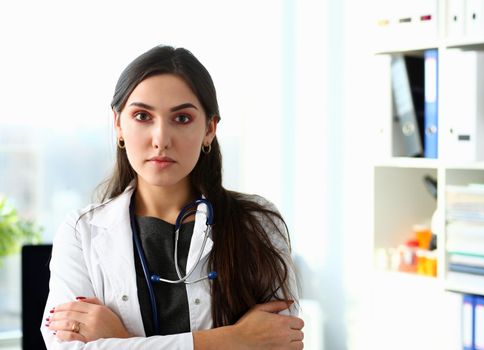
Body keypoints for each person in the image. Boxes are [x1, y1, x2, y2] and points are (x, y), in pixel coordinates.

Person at [41, 45, 304, 349]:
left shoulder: (257, 223)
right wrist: (233, 339)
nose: (161, 139)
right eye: (142, 116)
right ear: (118, 125)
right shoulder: (82, 232)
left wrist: (120, 341)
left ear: (209, 129)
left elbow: (283, 341)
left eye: (181, 119)